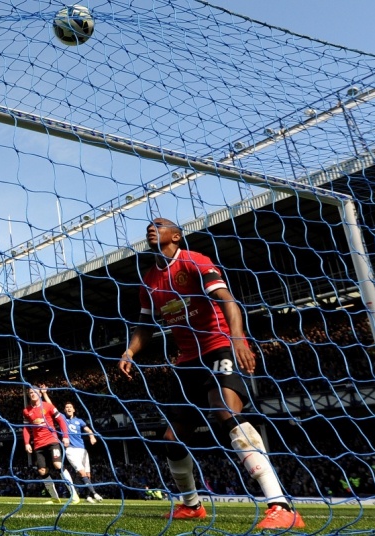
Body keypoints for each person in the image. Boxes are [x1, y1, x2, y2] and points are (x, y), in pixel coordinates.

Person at [119, 218, 304, 530]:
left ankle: (281, 505)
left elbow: (228, 301)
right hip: (187, 361)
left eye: (160, 225)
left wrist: (238, 339)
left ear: (176, 236)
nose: (152, 227)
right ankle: (192, 506)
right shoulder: (149, 281)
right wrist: (130, 351)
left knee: (226, 412)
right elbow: (146, 326)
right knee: (172, 439)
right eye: (149, 225)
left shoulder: (195, 261)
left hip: (218, 347)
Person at [21, 386, 79, 504]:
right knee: (42, 471)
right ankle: (54, 498)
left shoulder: (48, 406)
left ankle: (74, 494)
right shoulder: (26, 411)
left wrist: (66, 436)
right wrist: (27, 443)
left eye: (35, 392)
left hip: (52, 441)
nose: (33, 394)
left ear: (40, 394)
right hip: (38, 445)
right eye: (31, 392)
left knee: (57, 465)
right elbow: (26, 428)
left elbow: (61, 421)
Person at [62, 402, 103, 503]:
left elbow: (88, 429)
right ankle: (95, 493)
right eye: (66, 407)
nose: (68, 409)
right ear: (64, 410)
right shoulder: (62, 419)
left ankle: (87, 496)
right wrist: (45, 394)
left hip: (82, 450)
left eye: (70, 407)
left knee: (88, 475)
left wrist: (92, 436)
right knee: (81, 472)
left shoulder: (79, 421)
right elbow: (52, 407)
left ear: (74, 409)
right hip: (71, 449)